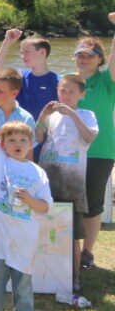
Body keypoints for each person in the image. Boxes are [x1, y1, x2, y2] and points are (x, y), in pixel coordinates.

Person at [0, 83, 52, 311]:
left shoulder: (38, 173)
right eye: (11, 140)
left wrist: (30, 200)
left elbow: (44, 207)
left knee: (22, 284)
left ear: (31, 144)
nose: (17, 143)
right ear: (2, 144)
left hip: (23, 238)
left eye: (23, 140)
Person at [35, 75, 97, 293]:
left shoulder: (87, 115)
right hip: (47, 179)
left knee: (73, 232)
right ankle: (43, 274)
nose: (66, 95)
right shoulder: (51, 116)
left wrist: (72, 114)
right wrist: (43, 115)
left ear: (81, 94)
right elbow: (38, 136)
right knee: (44, 226)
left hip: (73, 183)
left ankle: (74, 277)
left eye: (71, 91)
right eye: (62, 91)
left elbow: (89, 137)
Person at [69, 27, 115, 272]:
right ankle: (68, 248)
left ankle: (87, 251)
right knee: (68, 201)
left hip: (100, 151)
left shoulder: (107, 80)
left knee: (93, 203)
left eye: (90, 55)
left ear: (100, 58)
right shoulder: (67, 79)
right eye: (80, 54)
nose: (84, 58)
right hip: (69, 152)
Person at [0, 29, 59, 120]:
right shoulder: (20, 76)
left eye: (27, 52)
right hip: (20, 130)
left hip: (45, 131)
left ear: (42, 52)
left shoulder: (57, 81)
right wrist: (6, 43)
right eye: (22, 53)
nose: (23, 56)